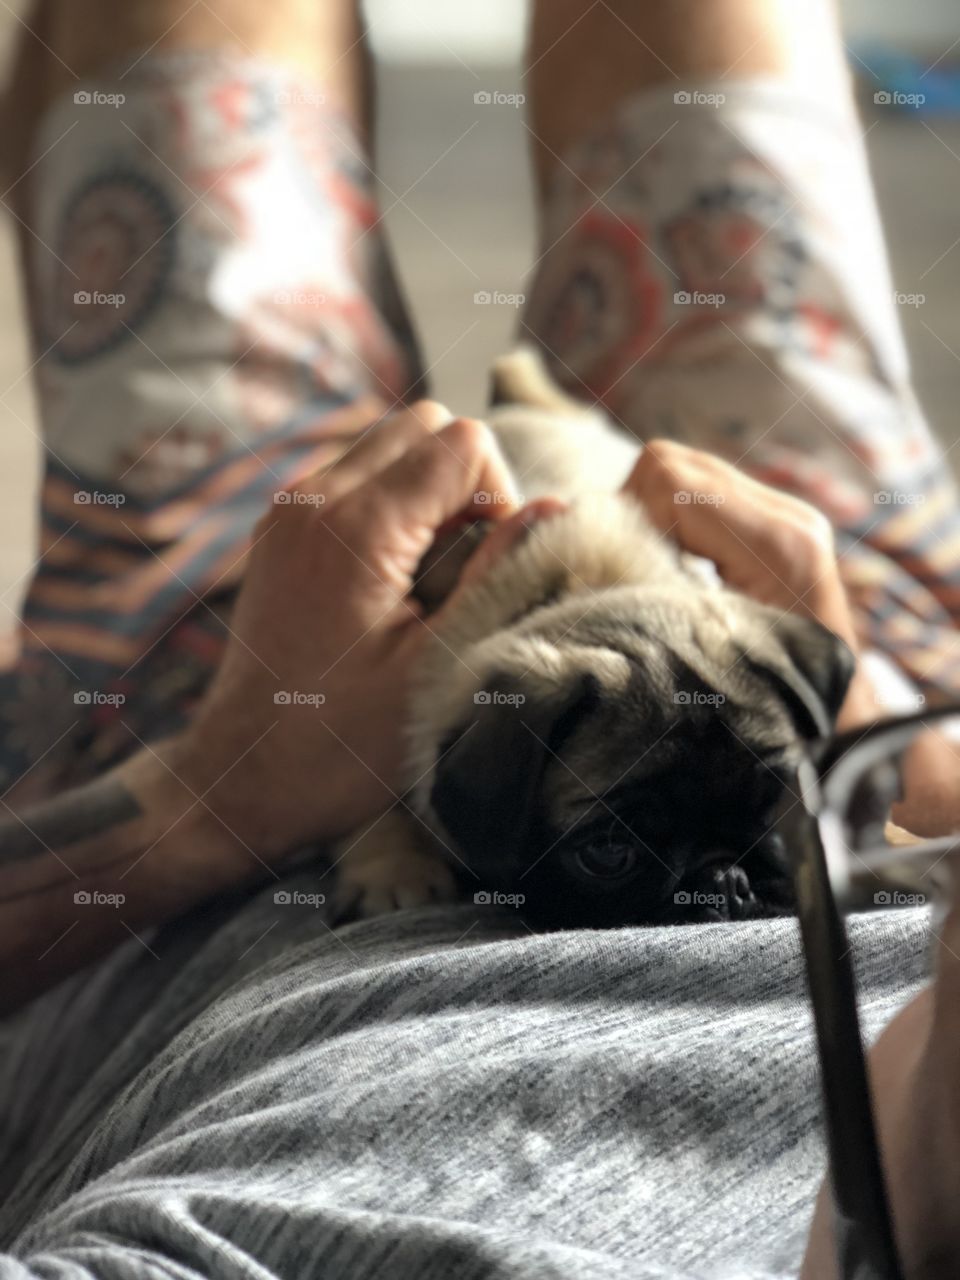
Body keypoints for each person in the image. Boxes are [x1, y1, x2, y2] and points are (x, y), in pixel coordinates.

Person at [0, 0, 958, 1276]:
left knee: (178, 91)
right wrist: (877, 744)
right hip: (832, 684)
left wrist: (207, 790)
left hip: (213, 721)